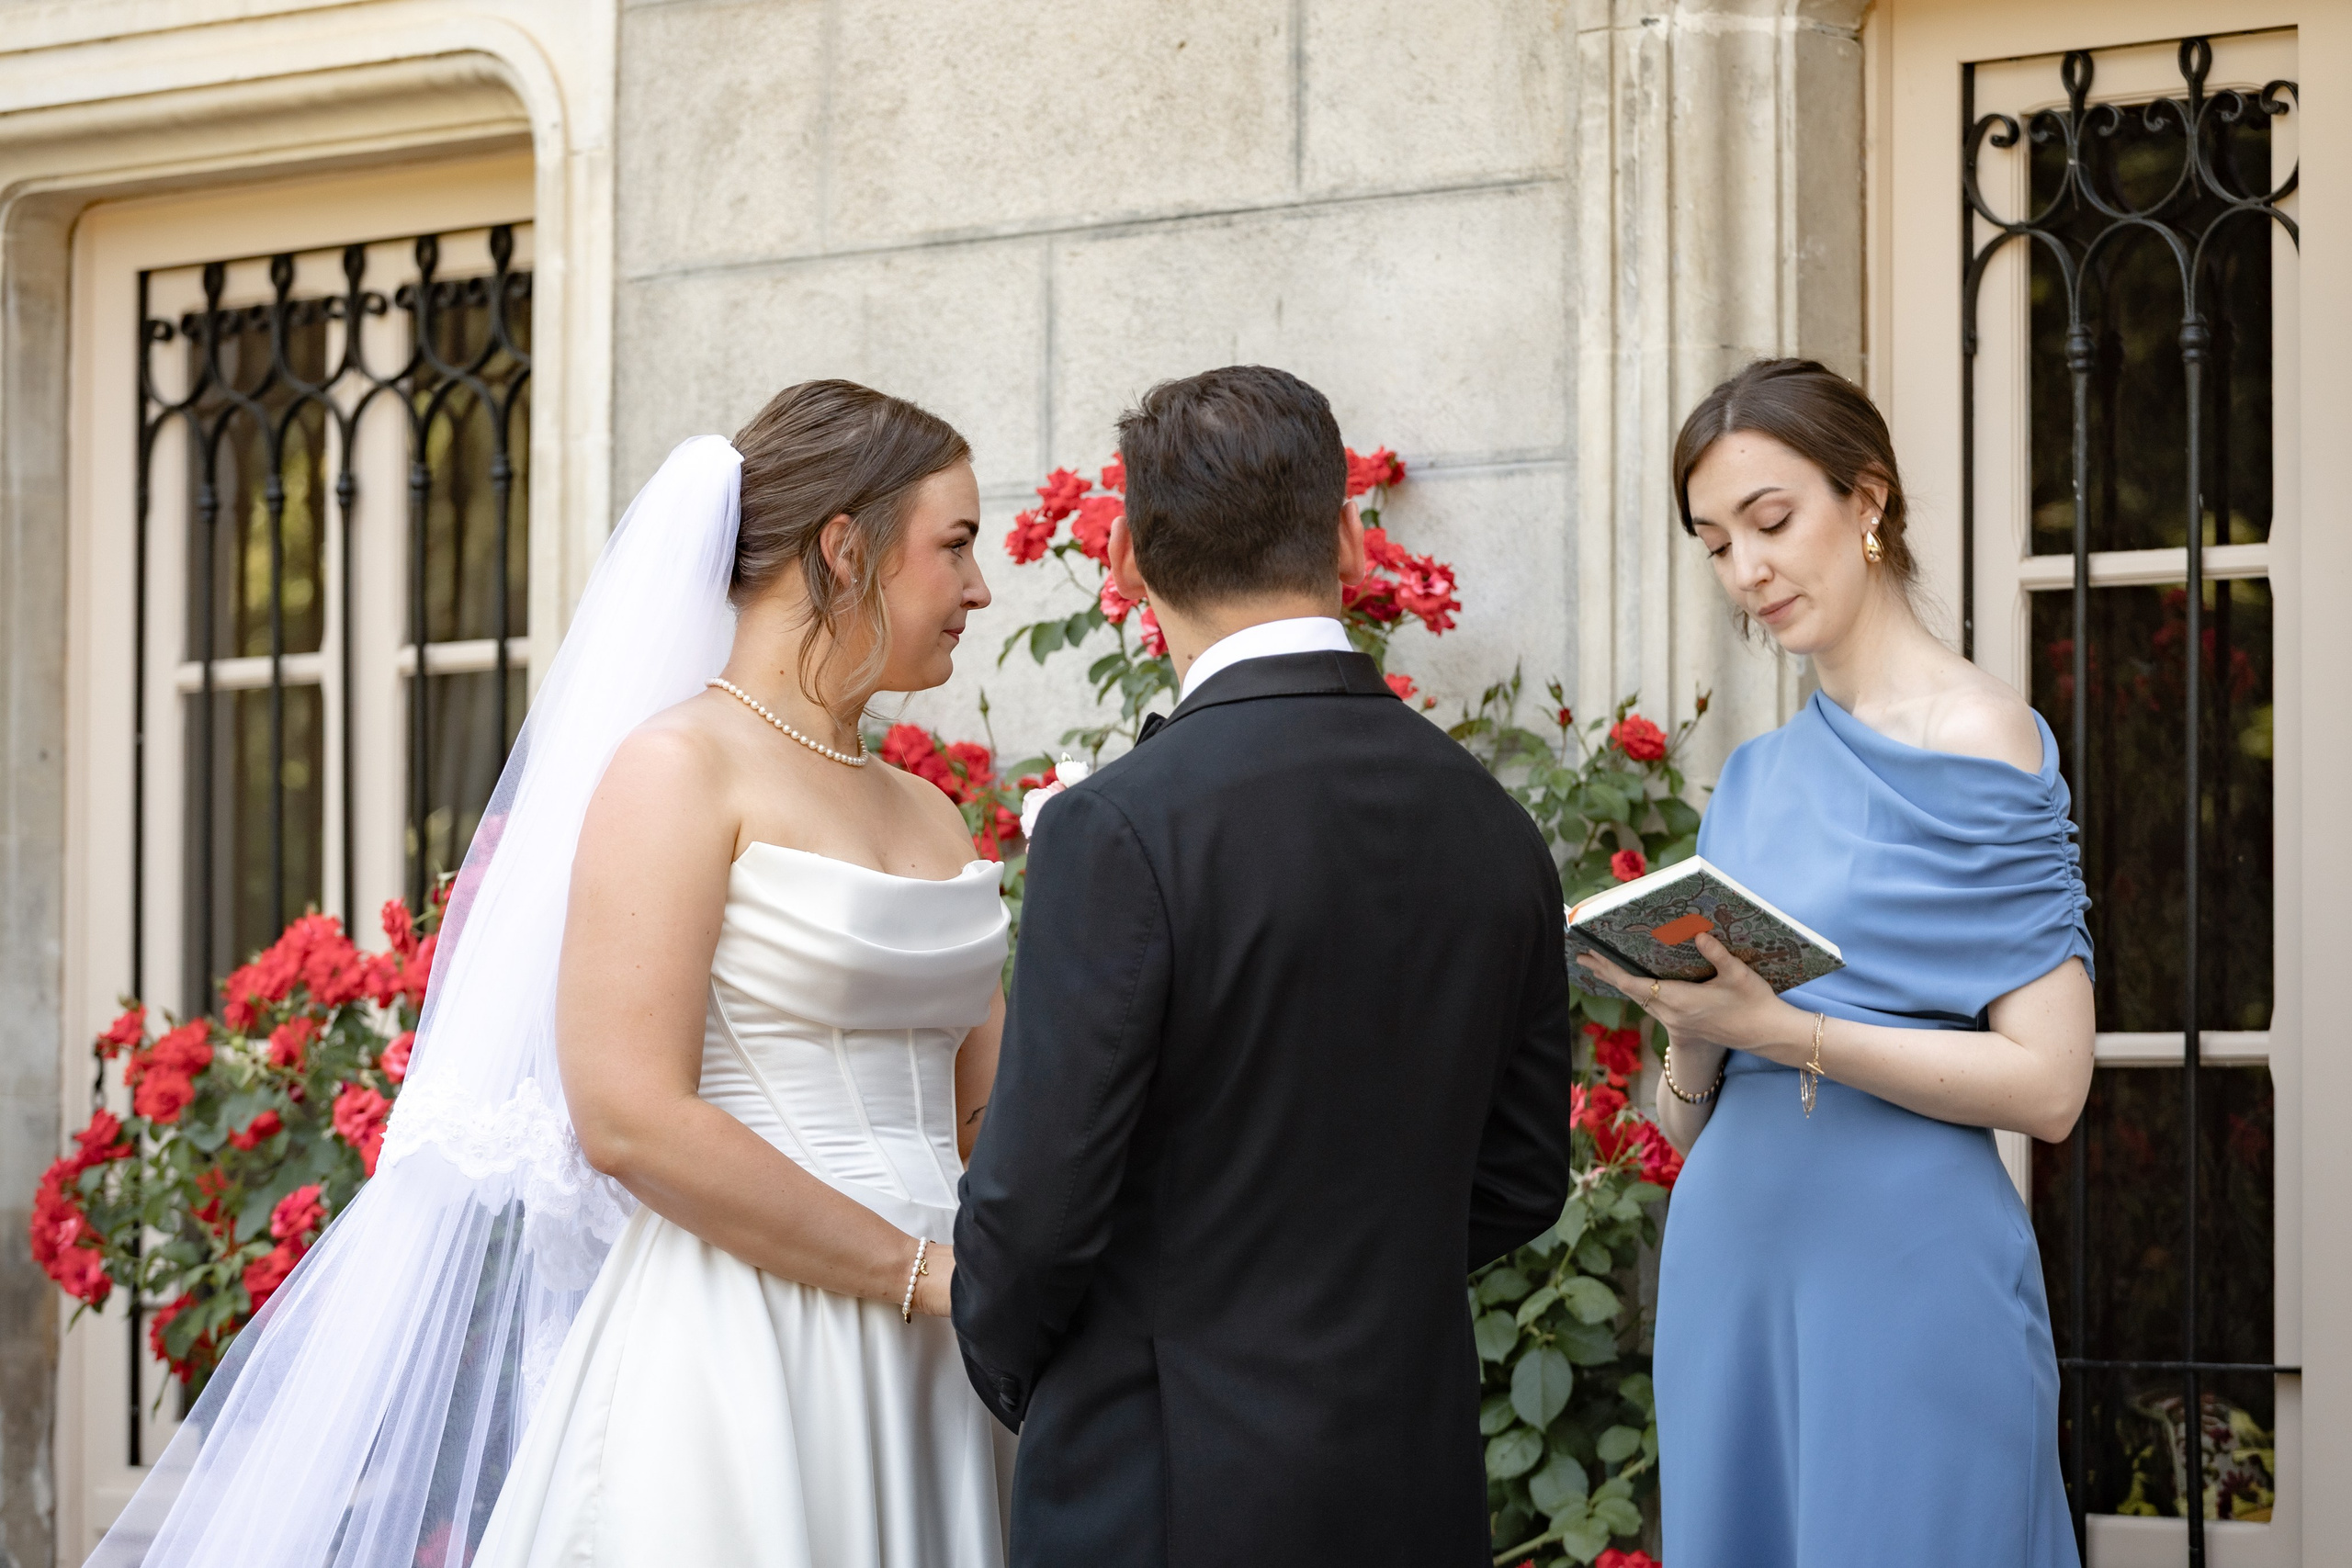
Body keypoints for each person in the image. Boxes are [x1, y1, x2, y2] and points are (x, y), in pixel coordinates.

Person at [93, 381, 1015, 1568]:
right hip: (754, 1335)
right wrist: (915, 1273)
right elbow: (630, 1115)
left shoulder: (933, 812)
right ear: (845, 548)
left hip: (949, 1350)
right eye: (956, 547)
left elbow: (989, 1112)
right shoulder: (677, 769)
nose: (980, 589)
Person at [950, 365, 1580, 1567]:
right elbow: (1521, 1178)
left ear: (1126, 558)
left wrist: (1036, 1374)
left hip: (1167, 1479)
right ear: (1348, 537)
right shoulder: (1488, 821)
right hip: (1411, 1474)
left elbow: (1036, 1210)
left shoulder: (1120, 829)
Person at [1576, 358, 2094, 1568]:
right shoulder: (1752, 777)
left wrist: (1782, 1032)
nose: (1746, 571)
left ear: (1868, 502)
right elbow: (1691, 1117)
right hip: (1732, 1267)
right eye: (1714, 544)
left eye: (1770, 521)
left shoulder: (1984, 737)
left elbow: (2052, 1087)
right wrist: (1692, 1026)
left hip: (1909, 1274)